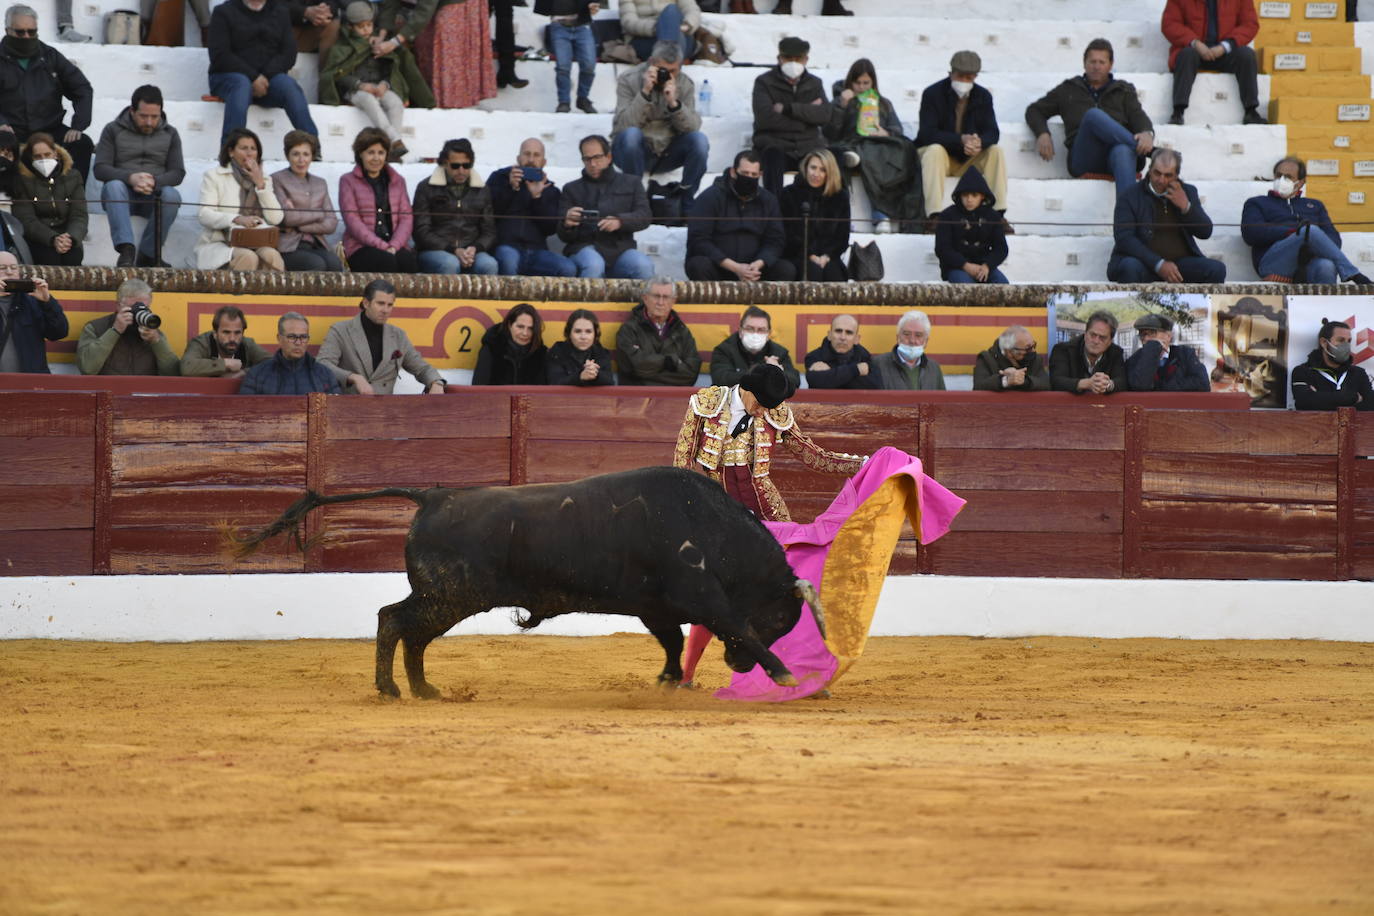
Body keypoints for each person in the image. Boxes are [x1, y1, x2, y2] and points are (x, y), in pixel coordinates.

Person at [672, 361, 865, 686]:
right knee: (713, 592)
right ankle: (687, 675)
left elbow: (811, 455)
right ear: (745, 390)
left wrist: (862, 465)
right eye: (758, 403)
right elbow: (682, 461)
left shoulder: (774, 412)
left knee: (787, 594)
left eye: (767, 406)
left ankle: (798, 675)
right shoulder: (707, 404)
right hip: (715, 509)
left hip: (764, 510)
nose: (762, 412)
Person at [1026, 38, 1154, 196]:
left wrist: (1147, 133)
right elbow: (1034, 110)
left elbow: (1138, 116)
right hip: (1084, 158)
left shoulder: (1123, 90)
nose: (1097, 67)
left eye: (1102, 62)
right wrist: (1042, 133)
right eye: (1092, 61)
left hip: (1117, 158)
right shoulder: (1068, 89)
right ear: (1084, 63)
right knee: (1093, 116)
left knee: (1122, 151)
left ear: (1110, 64)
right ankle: (1153, 153)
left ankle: (1126, 219)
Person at [319, 1, 434, 162]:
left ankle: (392, 150)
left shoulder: (378, 44)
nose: (366, 30)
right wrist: (360, 85)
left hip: (379, 88)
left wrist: (384, 84)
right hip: (356, 92)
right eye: (361, 26)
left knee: (395, 102)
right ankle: (393, 140)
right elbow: (337, 75)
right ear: (350, 27)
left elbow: (390, 69)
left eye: (369, 25)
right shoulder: (342, 47)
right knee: (369, 100)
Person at [825, 58, 921, 235]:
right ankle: (880, 215)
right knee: (871, 156)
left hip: (880, 144)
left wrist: (885, 133)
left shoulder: (883, 103)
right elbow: (831, 133)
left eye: (866, 83)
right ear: (850, 82)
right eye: (857, 82)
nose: (861, 87)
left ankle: (895, 217)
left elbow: (896, 128)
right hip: (852, 142)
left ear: (873, 82)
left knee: (904, 151)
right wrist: (842, 106)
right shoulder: (840, 101)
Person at [1241, 156, 1372, 285]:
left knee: (1327, 266)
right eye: (1278, 175)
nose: (1282, 180)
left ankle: (1325, 306)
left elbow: (1334, 240)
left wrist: (1312, 246)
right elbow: (1251, 233)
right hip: (1273, 263)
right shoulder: (1257, 203)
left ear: (1301, 182)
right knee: (1310, 230)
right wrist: (1294, 232)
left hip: (1309, 262)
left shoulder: (1315, 205)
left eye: (1288, 177)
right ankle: (1353, 273)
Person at [94, 85, 184, 269]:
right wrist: (130, 178)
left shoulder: (171, 133)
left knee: (172, 195)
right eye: (144, 116)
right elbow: (100, 168)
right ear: (132, 110)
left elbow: (178, 172)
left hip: (153, 194)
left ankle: (148, 254)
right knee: (113, 186)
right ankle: (127, 250)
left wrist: (155, 181)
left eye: (154, 117)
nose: (149, 122)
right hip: (121, 194)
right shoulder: (112, 130)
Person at [0, 5, 94, 181]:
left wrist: (78, 125)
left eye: (32, 32)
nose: (26, 37)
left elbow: (82, 88)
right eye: (20, 32)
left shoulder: (50, 56)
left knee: (81, 144)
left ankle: (71, 202)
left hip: (50, 130)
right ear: (7, 30)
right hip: (11, 131)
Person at [916, 51, 1007, 231]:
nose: (964, 81)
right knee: (934, 150)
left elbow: (992, 132)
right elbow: (927, 133)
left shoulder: (983, 96)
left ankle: (998, 215)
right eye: (960, 76)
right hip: (941, 158)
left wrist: (979, 142)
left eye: (969, 77)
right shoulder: (932, 94)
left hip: (968, 160)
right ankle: (934, 215)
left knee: (995, 151)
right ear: (951, 73)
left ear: (975, 77)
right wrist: (960, 140)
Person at [1107, 148, 1225, 284]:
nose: (1161, 180)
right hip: (1143, 263)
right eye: (1157, 173)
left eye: (1168, 175)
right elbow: (1124, 238)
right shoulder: (1130, 195)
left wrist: (1186, 206)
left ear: (1176, 175)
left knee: (1216, 269)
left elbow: (1205, 232)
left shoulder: (1188, 192)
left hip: (1180, 266)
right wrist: (1159, 264)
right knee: (1129, 267)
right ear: (1149, 170)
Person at [207, 0, 318, 144]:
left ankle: (312, 146)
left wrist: (264, 77)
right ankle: (230, 150)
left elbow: (289, 54)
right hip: (228, 78)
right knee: (241, 85)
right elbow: (220, 55)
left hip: (268, 80)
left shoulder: (280, 11)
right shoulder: (223, 12)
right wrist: (253, 78)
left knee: (289, 86)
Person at [611, 40, 708, 198]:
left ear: (680, 66)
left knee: (699, 141)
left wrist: (674, 104)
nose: (668, 75)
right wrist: (645, 92)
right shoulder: (628, 79)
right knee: (631, 135)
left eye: (673, 71)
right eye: (663, 70)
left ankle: (686, 200)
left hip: (667, 153)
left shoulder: (684, 83)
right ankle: (633, 198)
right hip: (632, 151)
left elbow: (692, 128)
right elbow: (624, 126)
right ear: (651, 63)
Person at [316, 278, 447, 394]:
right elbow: (322, 364)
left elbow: (421, 367)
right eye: (380, 303)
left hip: (384, 410)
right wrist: (353, 377)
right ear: (366, 303)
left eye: (390, 305)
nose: (385, 310)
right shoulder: (340, 330)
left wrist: (436, 382)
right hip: (348, 408)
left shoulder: (398, 335)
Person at [685, 150, 795, 282]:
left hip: (756, 271)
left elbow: (776, 240)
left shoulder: (769, 201)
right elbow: (699, 240)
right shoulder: (710, 197)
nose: (749, 178)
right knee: (698, 265)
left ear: (760, 175)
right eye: (744, 173)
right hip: (719, 267)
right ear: (733, 172)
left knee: (786, 269)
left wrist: (758, 264)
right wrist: (734, 267)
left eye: (754, 175)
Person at [558, 134, 654, 280]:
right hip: (584, 247)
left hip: (621, 249)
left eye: (597, 157)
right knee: (594, 264)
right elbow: (563, 236)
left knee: (643, 265)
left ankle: (643, 303)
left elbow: (645, 216)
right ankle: (586, 304)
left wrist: (620, 221)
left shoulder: (632, 182)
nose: (593, 164)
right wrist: (567, 224)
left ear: (609, 157)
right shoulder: (571, 189)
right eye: (587, 159)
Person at [194, 127, 284, 272]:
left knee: (271, 255)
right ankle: (235, 295)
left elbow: (276, 218)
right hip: (222, 242)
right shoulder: (214, 176)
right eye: (243, 148)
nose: (249, 153)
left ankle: (269, 295)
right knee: (247, 257)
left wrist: (260, 185)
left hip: (256, 241)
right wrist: (237, 219)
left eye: (253, 149)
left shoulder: (265, 180)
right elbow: (204, 214)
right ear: (231, 152)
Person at [375, 0, 495, 110]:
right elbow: (391, 2)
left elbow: (425, 9)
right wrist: (382, 34)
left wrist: (395, 42)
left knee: (448, 52)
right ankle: (430, 103)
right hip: (428, 5)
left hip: (456, 4)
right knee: (424, 47)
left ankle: (449, 107)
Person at [1162, 0, 1264, 126]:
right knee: (1186, 55)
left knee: (1246, 55)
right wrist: (1195, 43)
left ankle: (1251, 111)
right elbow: (1170, 24)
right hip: (1194, 49)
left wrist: (1225, 46)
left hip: (1226, 51)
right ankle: (1178, 112)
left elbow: (1249, 24)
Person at [752, 36, 832, 197]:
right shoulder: (764, 82)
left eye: (799, 58)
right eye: (788, 58)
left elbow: (824, 115)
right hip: (776, 145)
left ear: (806, 59)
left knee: (832, 157)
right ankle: (773, 210)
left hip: (807, 147)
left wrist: (788, 109)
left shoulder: (814, 83)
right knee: (771, 156)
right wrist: (806, 118)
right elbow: (765, 118)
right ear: (779, 58)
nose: (793, 63)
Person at [488, 138, 574, 278]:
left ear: (544, 162)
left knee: (567, 268)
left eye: (536, 155)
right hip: (505, 247)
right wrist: (511, 188)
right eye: (527, 154)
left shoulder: (551, 189)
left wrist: (537, 198)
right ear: (518, 158)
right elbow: (490, 214)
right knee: (509, 260)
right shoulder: (499, 178)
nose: (531, 159)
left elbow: (550, 229)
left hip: (537, 251)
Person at [413, 138, 497, 276]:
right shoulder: (426, 187)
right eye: (455, 166)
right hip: (435, 251)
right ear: (445, 164)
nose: (461, 170)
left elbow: (489, 231)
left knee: (489, 265)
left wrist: (475, 248)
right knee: (450, 263)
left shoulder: (482, 189)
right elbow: (421, 231)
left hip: (471, 251)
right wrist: (453, 250)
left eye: (466, 165)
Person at [339, 126, 416, 273]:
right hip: (360, 247)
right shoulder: (347, 181)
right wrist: (383, 246)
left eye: (381, 153)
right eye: (370, 152)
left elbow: (406, 218)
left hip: (395, 246)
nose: (376, 158)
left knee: (408, 262)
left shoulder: (398, 181)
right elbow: (352, 221)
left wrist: (394, 245)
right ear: (360, 154)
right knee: (386, 262)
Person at [271, 130, 343, 273]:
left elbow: (332, 223)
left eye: (306, 154)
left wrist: (301, 226)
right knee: (316, 265)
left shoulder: (320, 183)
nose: (301, 160)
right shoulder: (277, 179)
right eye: (296, 154)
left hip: (317, 244)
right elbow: (287, 218)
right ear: (287, 156)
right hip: (288, 246)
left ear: (312, 156)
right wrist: (319, 214)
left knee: (335, 264)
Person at [76, 279, 179, 376]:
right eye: (133, 308)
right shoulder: (95, 328)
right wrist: (115, 331)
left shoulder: (153, 332)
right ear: (118, 306)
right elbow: (87, 369)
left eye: (144, 308)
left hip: (144, 393)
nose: (138, 312)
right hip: (109, 392)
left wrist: (157, 341)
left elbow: (173, 373)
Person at [13, 133, 85, 266]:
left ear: (56, 154)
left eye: (47, 154)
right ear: (31, 158)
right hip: (39, 238)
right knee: (49, 257)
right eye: (37, 156)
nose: (43, 159)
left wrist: (70, 238)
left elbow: (79, 215)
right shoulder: (21, 180)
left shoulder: (73, 177)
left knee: (73, 257)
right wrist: (52, 238)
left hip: (68, 237)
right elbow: (26, 219)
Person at [615, 276, 701, 385]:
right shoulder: (628, 329)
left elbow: (691, 374)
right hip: (637, 397)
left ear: (673, 301)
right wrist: (669, 362)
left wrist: (648, 369)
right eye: (656, 296)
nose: (660, 302)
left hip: (673, 398)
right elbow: (632, 368)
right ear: (645, 298)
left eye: (666, 297)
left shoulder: (682, 331)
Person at [780, 148, 849, 283]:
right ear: (805, 168)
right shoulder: (789, 194)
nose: (816, 174)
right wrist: (810, 255)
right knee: (813, 272)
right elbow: (787, 233)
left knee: (834, 276)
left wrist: (826, 256)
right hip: (797, 255)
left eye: (823, 170)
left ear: (830, 173)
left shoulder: (840, 196)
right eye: (813, 168)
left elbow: (842, 236)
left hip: (829, 257)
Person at [934, 166, 1008, 284]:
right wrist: (965, 265)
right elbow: (942, 248)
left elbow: (1001, 248)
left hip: (984, 268)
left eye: (974, 195)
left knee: (1003, 286)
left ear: (982, 196)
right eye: (965, 195)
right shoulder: (947, 215)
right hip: (956, 267)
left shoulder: (993, 216)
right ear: (959, 195)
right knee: (966, 288)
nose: (969, 199)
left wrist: (987, 266)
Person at [239, 312, 342, 395]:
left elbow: (336, 413)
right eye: (292, 337)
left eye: (303, 337)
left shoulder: (324, 374)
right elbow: (246, 412)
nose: (298, 343)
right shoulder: (257, 375)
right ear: (279, 338)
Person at [0, 250, 65, 373]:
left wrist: (47, 302)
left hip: (29, 383)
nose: (9, 272)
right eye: (2, 268)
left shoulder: (31, 299)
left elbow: (59, 333)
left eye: (13, 268)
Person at [709, 306, 801, 389]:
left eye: (761, 330)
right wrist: (766, 371)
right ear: (741, 331)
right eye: (750, 328)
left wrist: (778, 371)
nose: (755, 334)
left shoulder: (779, 352)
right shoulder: (724, 350)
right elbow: (721, 379)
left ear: (768, 334)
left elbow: (795, 381)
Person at [1291, 318, 1373, 410]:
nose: (1346, 345)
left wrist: (1320, 398)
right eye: (1341, 340)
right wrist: (1353, 398)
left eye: (1349, 341)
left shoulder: (1358, 373)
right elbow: (1304, 403)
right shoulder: (1303, 371)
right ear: (1324, 342)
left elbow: (1370, 406)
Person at [535, 0, 599, 114]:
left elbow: (593, 4)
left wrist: (593, 4)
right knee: (563, 67)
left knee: (589, 64)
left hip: (582, 25)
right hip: (559, 25)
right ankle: (564, 102)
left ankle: (583, 98)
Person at [180, 304, 270, 378]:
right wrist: (225, 364)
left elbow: (273, 364)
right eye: (226, 332)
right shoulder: (202, 342)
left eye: (237, 333)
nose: (232, 338)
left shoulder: (247, 344)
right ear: (215, 333)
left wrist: (245, 373)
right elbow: (186, 367)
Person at [1124, 312, 1209, 391]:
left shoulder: (1185, 354)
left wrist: (1159, 387)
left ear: (1168, 336)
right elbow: (1139, 385)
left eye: (1152, 333)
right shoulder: (1135, 359)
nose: (1145, 339)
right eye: (1142, 334)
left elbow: (1202, 384)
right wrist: (1151, 349)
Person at [1048, 310, 1127, 394]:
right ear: (1085, 334)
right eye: (1093, 335)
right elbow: (1056, 381)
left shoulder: (1116, 353)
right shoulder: (1063, 350)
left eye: (1102, 338)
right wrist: (1086, 384)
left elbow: (1123, 382)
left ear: (1110, 341)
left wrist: (1107, 384)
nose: (1096, 341)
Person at [472, 302, 548, 385]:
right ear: (509, 325)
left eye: (530, 328)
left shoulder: (541, 354)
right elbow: (479, 389)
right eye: (520, 327)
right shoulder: (491, 349)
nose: (525, 333)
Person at [872, 309, 945, 390]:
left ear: (926, 341)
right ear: (898, 337)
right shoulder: (877, 364)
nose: (912, 340)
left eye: (918, 335)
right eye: (906, 334)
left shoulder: (933, 368)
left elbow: (942, 401)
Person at [805, 313, 878, 390]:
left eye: (849, 332)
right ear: (829, 335)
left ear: (857, 339)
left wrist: (830, 374)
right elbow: (816, 382)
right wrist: (856, 370)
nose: (843, 337)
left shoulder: (865, 358)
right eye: (838, 331)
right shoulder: (814, 356)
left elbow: (874, 386)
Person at [546, 308, 614, 386]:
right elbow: (554, 382)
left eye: (588, 331)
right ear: (569, 333)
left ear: (595, 334)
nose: (583, 337)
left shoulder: (602, 353)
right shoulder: (557, 352)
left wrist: (595, 374)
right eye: (578, 331)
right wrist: (580, 376)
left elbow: (610, 382)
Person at [973, 324, 1048, 391]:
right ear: (1009, 352)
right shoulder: (986, 359)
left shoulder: (1036, 359)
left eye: (1033, 345)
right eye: (1028, 348)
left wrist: (1024, 380)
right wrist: (1005, 380)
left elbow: (1046, 384)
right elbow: (978, 386)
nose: (1033, 351)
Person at [617, 0, 697, 63]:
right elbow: (629, 22)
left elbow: (692, 11)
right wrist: (658, 27)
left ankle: (666, 64)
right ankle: (672, 67)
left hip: (679, 32)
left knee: (671, 9)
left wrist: (686, 26)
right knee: (675, 41)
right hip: (644, 38)